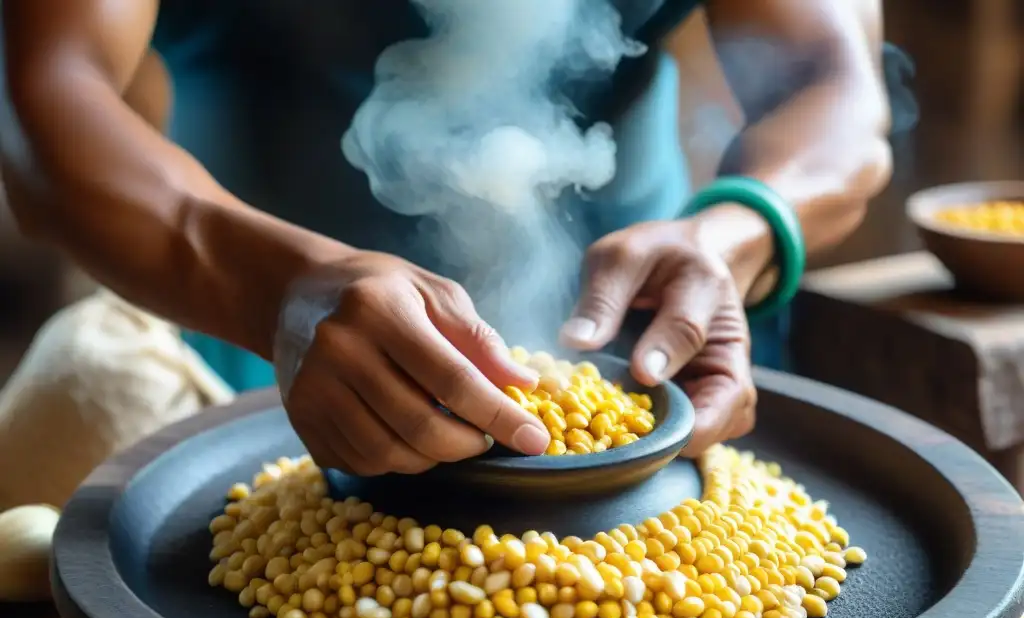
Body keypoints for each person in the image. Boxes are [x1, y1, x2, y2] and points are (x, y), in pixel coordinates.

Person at [0, 0, 905, 478]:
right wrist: (279, 291)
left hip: (655, 351)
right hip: (244, 336)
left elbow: (832, 83)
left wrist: (735, 230)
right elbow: (41, 99)